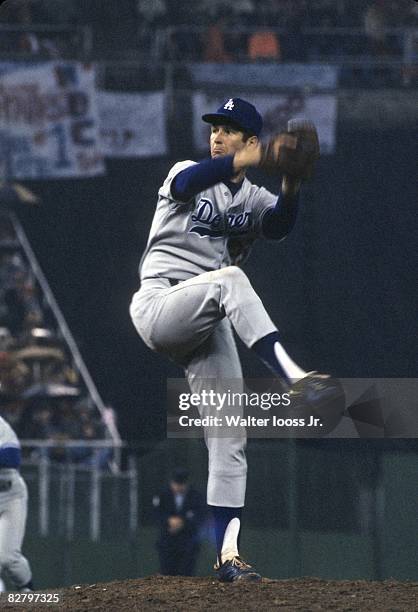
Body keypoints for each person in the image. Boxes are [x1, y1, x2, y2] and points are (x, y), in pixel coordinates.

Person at [130, 97, 341, 582]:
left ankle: (228, 557)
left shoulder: (249, 198)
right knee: (229, 279)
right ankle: (294, 377)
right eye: (214, 128)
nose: (217, 136)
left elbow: (280, 224)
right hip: (161, 306)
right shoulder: (187, 172)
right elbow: (189, 183)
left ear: (248, 138)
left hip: (207, 321)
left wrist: (290, 180)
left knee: (229, 436)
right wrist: (260, 154)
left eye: (229, 130)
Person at [0, 415, 34, 592]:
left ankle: (28, 592)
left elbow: (12, 458)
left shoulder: (1, 426)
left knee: (8, 559)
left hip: (10, 495)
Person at [153, 468, 205, 576]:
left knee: (186, 573)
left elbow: (200, 515)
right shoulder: (163, 494)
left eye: (181, 484)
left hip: (188, 543)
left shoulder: (195, 495)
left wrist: (183, 523)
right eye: (176, 484)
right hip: (167, 542)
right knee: (167, 572)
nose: (178, 487)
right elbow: (157, 514)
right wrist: (169, 521)